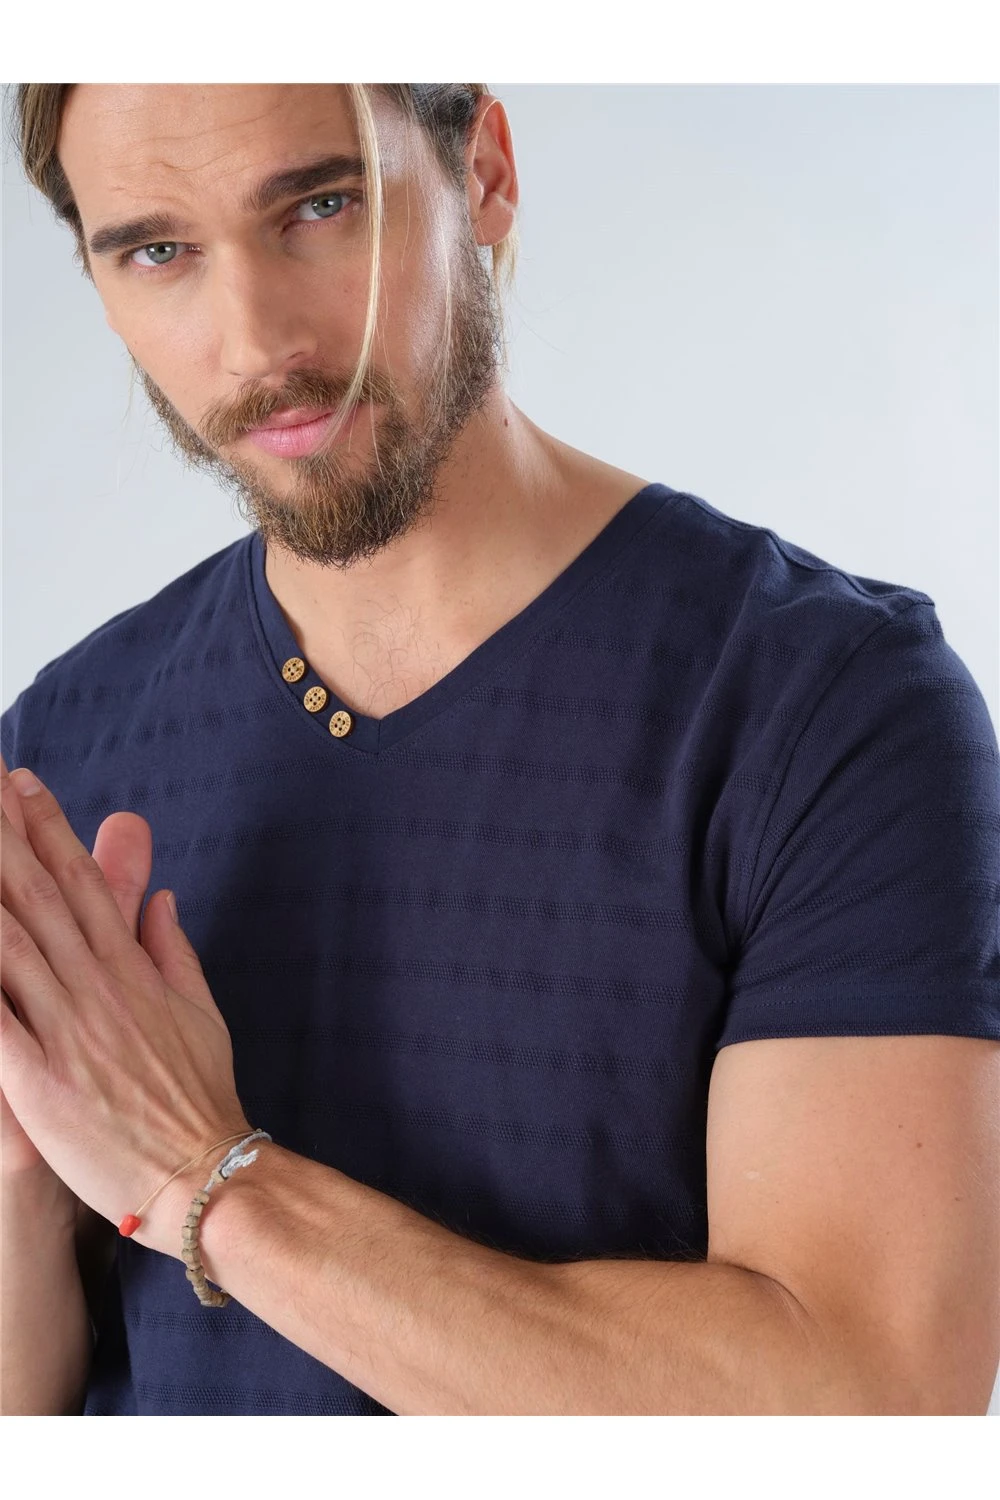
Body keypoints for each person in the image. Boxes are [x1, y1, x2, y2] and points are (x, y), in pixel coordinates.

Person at [1, 82, 997, 1418]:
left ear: (482, 172)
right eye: (159, 250)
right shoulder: (61, 742)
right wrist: (27, 1179)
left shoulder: (820, 705)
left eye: (321, 205)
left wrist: (202, 1181)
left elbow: (866, 1404)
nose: (256, 341)